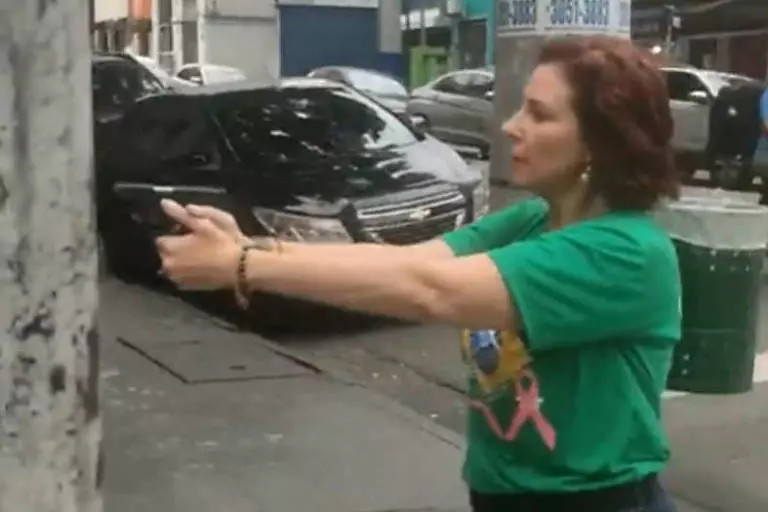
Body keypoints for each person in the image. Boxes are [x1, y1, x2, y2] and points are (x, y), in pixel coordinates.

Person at [155, 36, 681, 512]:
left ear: (597, 145)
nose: (511, 125)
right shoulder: (536, 219)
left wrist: (243, 268)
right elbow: (413, 261)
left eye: (539, 115)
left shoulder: (625, 253)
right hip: (507, 495)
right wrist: (252, 246)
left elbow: (430, 292)